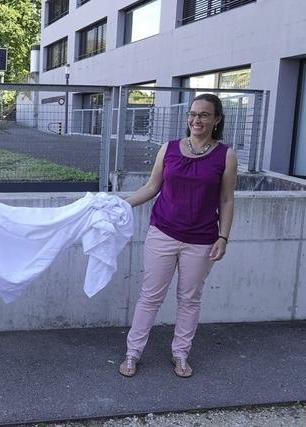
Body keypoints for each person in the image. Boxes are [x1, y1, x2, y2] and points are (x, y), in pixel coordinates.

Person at [118, 93, 237, 378]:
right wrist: (120, 204)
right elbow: (151, 187)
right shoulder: (168, 149)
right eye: (193, 114)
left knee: (189, 299)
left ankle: (180, 354)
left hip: (202, 239)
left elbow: (227, 200)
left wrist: (224, 237)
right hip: (163, 233)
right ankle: (132, 353)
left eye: (204, 115)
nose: (197, 120)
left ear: (217, 119)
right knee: (150, 297)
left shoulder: (226, 155)